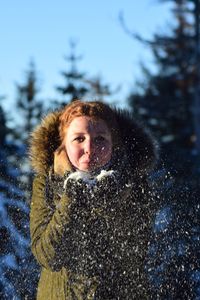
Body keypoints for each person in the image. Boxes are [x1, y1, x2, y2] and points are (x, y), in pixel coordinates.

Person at [29, 100, 158, 299]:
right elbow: (48, 256)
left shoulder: (134, 181)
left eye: (99, 139)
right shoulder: (45, 183)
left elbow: (133, 252)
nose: (89, 148)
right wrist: (70, 199)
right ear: (63, 144)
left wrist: (108, 200)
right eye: (79, 139)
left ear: (113, 143)